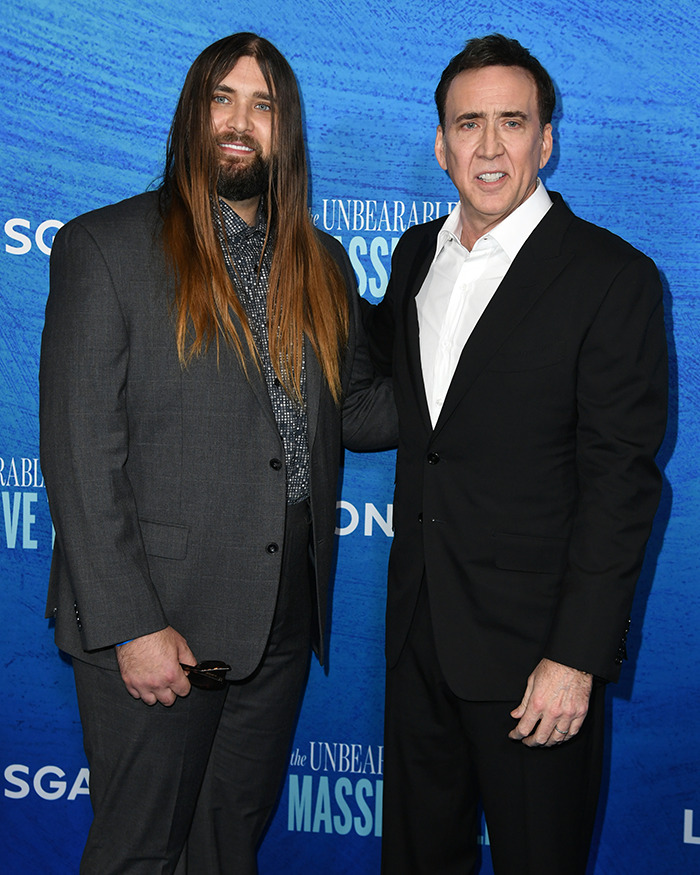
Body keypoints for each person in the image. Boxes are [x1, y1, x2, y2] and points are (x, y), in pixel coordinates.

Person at [39, 32, 395, 875]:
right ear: (193, 115)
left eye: (263, 105)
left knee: (228, 847)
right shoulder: (106, 247)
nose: (241, 122)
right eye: (222, 99)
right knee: (140, 854)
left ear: (286, 131)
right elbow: (80, 453)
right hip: (159, 617)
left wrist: (486, 366)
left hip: (280, 615)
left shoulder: (322, 262)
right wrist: (132, 625)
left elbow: (364, 410)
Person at [363, 33, 667, 875]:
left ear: (546, 139)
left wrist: (575, 657)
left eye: (511, 122)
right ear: (440, 144)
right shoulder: (415, 252)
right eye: (469, 124)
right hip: (420, 635)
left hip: (536, 658)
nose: (489, 147)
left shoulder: (614, 277)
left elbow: (621, 485)